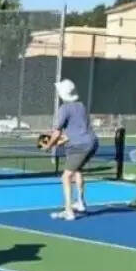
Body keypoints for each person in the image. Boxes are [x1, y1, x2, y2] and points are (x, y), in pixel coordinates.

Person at [45, 79, 97, 221]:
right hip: (92, 142)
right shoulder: (81, 106)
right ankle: (80, 202)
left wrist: (49, 146)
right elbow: (77, 130)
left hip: (79, 146)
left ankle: (69, 211)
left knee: (66, 177)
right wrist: (61, 141)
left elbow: (57, 132)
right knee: (77, 170)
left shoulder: (64, 109)